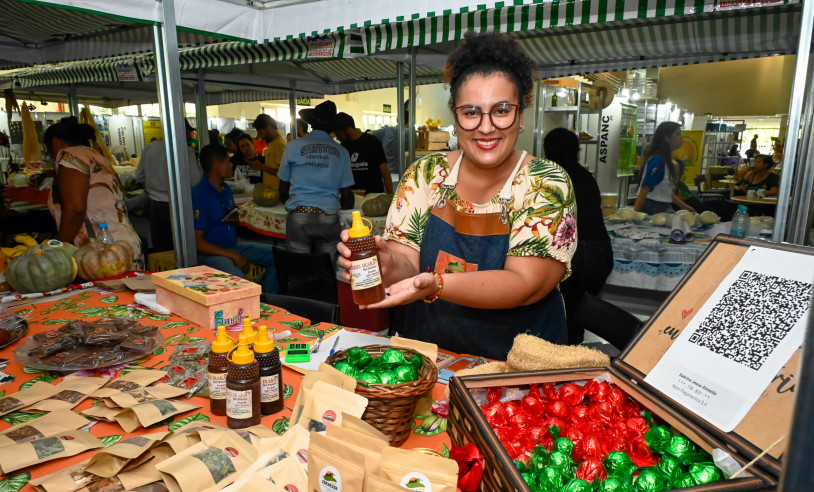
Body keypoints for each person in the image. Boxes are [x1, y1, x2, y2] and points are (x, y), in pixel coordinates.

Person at [337, 32, 576, 359]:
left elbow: (525, 283)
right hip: (434, 357)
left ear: (521, 116)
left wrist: (439, 284)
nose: (487, 127)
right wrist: (387, 264)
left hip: (518, 371)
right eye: (471, 112)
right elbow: (408, 265)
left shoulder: (544, 183)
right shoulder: (425, 175)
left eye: (501, 110)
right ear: (456, 117)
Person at [44, 116, 144, 269]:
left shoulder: (69, 157)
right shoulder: (95, 156)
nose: (50, 156)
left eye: (48, 150)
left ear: (56, 142)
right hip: (121, 243)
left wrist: (60, 247)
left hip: (100, 249)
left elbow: (76, 209)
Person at [544, 128, 612, 345]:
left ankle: (560, 367)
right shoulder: (585, 176)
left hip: (573, 254)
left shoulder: (549, 176)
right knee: (576, 315)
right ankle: (572, 358)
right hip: (600, 252)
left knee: (560, 315)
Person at [192, 144, 278, 293]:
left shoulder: (225, 189)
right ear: (216, 166)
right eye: (227, 161)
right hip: (211, 254)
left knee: (279, 255)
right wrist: (234, 256)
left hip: (232, 246)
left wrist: (235, 220)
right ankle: (256, 300)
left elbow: (229, 220)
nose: (231, 164)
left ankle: (268, 300)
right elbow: (197, 242)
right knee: (242, 284)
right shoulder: (199, 195)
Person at [278, 100, 355, 264]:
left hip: (299, 215)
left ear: (312, 123)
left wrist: (295, 204)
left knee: (298, 268)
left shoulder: (293, 147)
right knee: (327, 268)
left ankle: (299, 289)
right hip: (328, 217)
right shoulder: (342, 152)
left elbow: (282, 190)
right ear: (333, 127)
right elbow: (348, 198)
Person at [135, 120, 201, 253]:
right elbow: (196, 181)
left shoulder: (149, 148)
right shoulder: (185, 151)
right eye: (189, 132)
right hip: (178, 207)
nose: (190, 135)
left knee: (161, 250)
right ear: (182, 131)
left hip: (155, 207)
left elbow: (139, 177)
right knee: (181, 252)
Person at [334, 112, 394, 194]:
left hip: (374, 197)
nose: (337, 137)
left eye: (338, 134)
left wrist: (390, 196)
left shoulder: (372, 142)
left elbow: (385, 172)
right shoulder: (344, 147)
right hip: (354, 197)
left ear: (346, 129)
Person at [634, 121, 684, 215]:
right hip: (652, 208)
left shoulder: (669, 162)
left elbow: (667, 193)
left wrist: (687, 208)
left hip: (664, 206)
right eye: (678, 134)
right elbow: (645, 189)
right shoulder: (658, 160)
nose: (681, 137)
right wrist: (634, 215)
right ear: (666, 138)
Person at [372, 102, 416, 176]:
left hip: (384, 172)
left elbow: (368, 133)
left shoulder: (385, 130)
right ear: (410, 122)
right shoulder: (409, 132)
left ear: (397, 120)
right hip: (400, 173)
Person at [253, 114, 286, 192]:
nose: (260, 136)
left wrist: (262, 167)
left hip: (277, 192)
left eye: (261, 132)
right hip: (271, 191)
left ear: (269, 128)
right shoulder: (273, 142)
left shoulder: (279, 144)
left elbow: (283, 173)